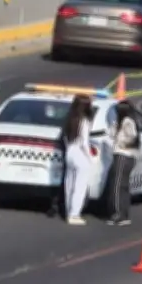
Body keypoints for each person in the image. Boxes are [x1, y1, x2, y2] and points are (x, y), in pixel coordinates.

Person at [62, 94, 94, 225]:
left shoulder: (70, 119)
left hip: (69, 151)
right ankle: (74, 214)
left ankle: (68, 211)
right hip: (80, 153)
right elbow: (85, 143)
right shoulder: (84, 121)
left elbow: (64, 137)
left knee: (69, 183)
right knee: (80, 186)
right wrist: (90, 158)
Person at [106, 100, 140, 225]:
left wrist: (121, 143)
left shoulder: (127, 122)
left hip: (123, 155)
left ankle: (117, 213)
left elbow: (132, 136)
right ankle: (124, 214)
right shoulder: (122, 122)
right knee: (124, 186)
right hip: (127, 156)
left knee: (117, 185)